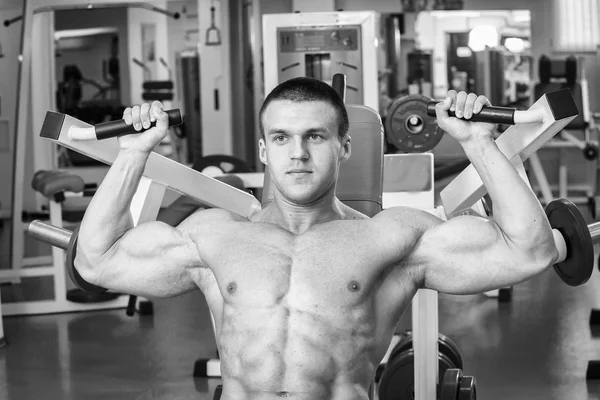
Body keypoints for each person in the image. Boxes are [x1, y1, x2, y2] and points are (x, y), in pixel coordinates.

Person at [75, 77, 558, 400]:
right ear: (264, 150)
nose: (298, 153)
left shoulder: (390, 238)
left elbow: (529, 251)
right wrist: (132, 153)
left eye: (316, 137)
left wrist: (476, 141)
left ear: (345, 146)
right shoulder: (214, 235)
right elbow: (96, 261)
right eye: (281, 138)